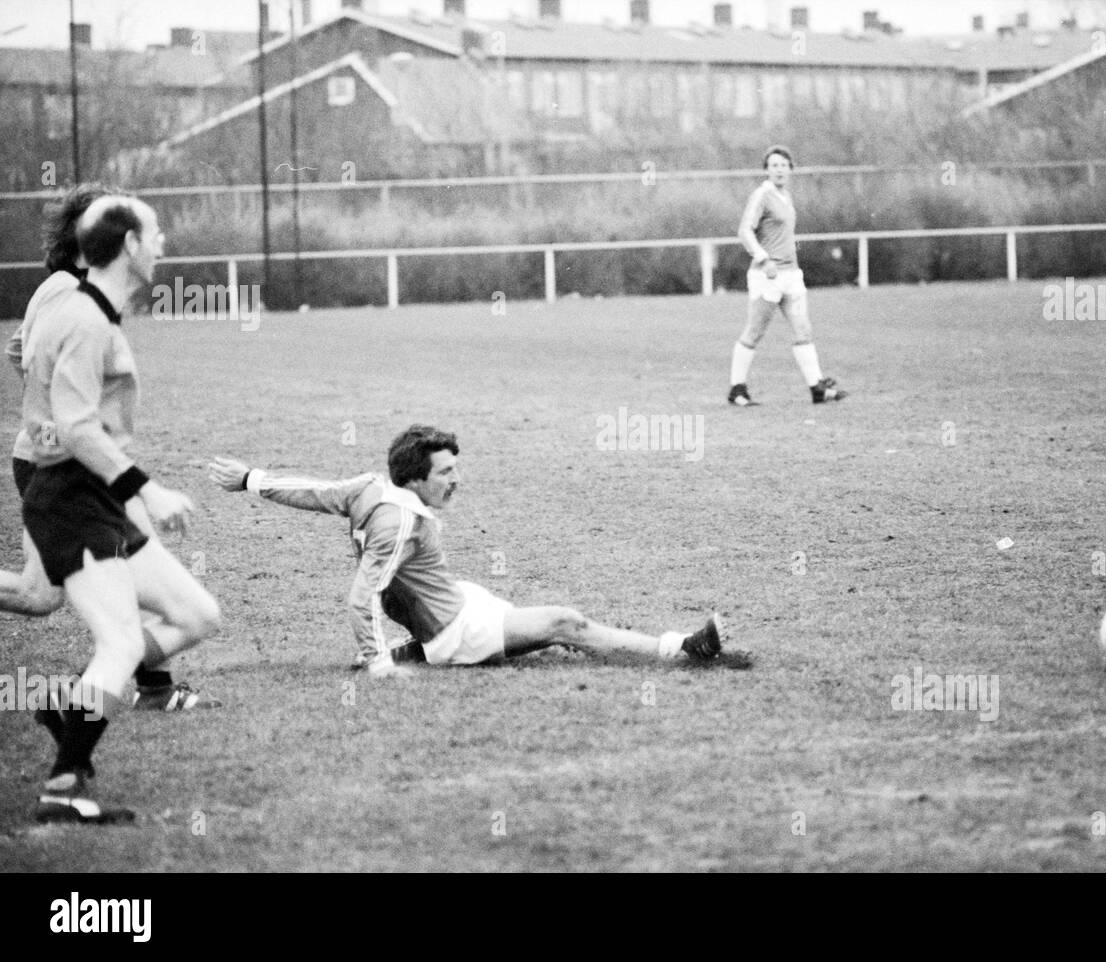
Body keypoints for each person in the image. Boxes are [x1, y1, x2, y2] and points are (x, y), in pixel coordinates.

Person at [209, 426, 740, 676]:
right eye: (446, 472)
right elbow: (362, 597)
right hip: (457, 632)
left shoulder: (371, 486)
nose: (456, 480)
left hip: (458, 604)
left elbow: (315, 492)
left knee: (544, 632)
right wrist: (375, 666)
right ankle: (680, 650)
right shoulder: (399, 523)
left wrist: (253, 480)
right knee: (565, 623)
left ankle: (411, 652)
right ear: (415, 477)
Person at [22, 195, 222, 824]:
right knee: (120, 641)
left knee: (198, 616)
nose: (163, 242)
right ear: (130, 246)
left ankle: (71, 706)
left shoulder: (95, 314)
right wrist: (150, 489)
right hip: (72, 497)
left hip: (94, 495)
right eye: (156, 232)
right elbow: (77, 427)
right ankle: (64, 785)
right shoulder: (84, 317)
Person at [728, 145, 848, 407]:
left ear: (790, 169)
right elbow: (745, 231)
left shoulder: (786, 196)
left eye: (783, 165)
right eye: (774, 165)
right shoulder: (762, 195)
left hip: (791, 275)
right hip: (767, 276)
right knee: (754, 332)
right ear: (767, 170)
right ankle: (737, 389)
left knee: (803, 330)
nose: (779, 170)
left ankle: (817, 387)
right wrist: (763, 258)